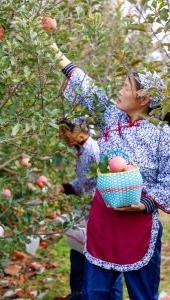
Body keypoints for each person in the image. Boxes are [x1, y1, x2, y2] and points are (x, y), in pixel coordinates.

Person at [52, 43, 170, 299]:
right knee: (96, 290)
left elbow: (168, 180)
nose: (119, 91)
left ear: (144, 98)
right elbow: (87, 88)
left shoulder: (164, 135)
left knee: (142, 294)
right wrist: (54, 50)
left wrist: (145, 205)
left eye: (126, 87)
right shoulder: (110, 117)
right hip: (103, 220)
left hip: (139, 223)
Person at [54, 115, 123, 300]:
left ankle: (108, 296)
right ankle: (78, 294)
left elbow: (103, 182)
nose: (61, 135)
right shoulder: (81, 150)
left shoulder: (93, 150)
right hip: (87, 211)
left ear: (78, 130)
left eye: (64, 131)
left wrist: (92, 202)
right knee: (78, 253)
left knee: (102, 257)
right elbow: (85, 183)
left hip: (98, 212)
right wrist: (63, 187)